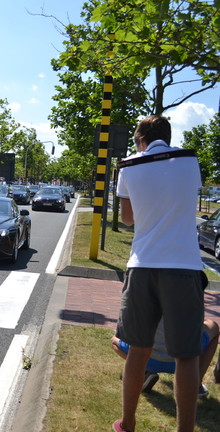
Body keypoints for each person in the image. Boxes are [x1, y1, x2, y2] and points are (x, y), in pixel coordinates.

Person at [113, 115, 205, 432]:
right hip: (185, 265)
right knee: (187, 356)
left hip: (143, 264)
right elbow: (185, 199)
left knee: (138, 350)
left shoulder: (128, 166)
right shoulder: (190, 161)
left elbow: (127, 219)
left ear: (139, 140)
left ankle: (128, 422)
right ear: (168, 135)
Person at [111, 318, 219, 398]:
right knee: (213, 326)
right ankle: (195, 384)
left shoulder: (142, 292)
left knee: (115, 340)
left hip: (145, 357)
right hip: (183, 362)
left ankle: (143, 370)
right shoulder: (190, 291)